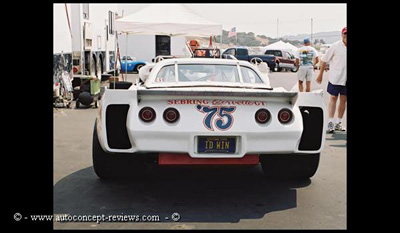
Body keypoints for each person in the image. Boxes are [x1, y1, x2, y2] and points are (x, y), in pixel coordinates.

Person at [316, 27, 347, 133]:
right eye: (344, 34)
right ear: (342, 35)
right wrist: (320, 74)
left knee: (343, 100)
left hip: (346, 79)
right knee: (333, 98)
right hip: (335, 78)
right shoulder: (335, 46)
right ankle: (331, 122)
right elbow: (324, 60)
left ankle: (339, 122)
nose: (346, 36)